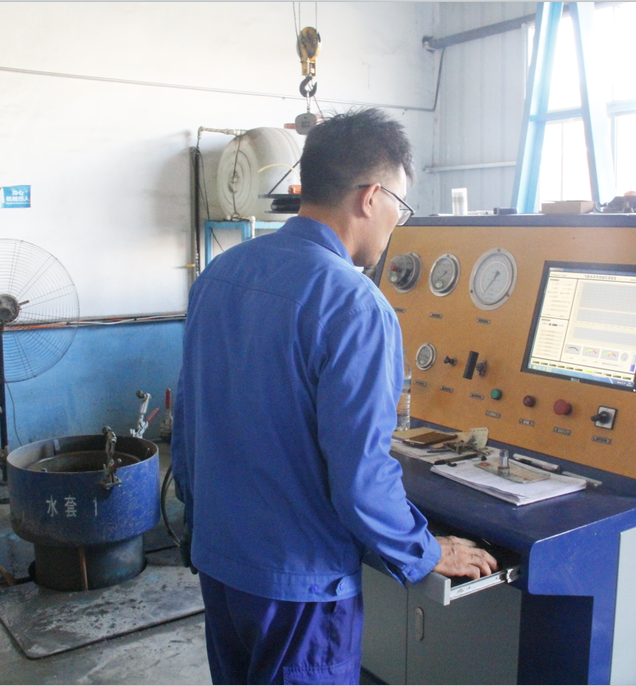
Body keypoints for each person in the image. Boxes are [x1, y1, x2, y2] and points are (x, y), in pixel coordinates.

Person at [171, 108, 497, 685]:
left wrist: (201, 532)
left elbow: (189, 428)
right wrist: (424, 551)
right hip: (300, 587)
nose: (398, 223)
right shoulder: (356, 305)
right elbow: (361, 477)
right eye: (400, 206)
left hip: (221, 564)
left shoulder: (220, 275)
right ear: (371, 197)